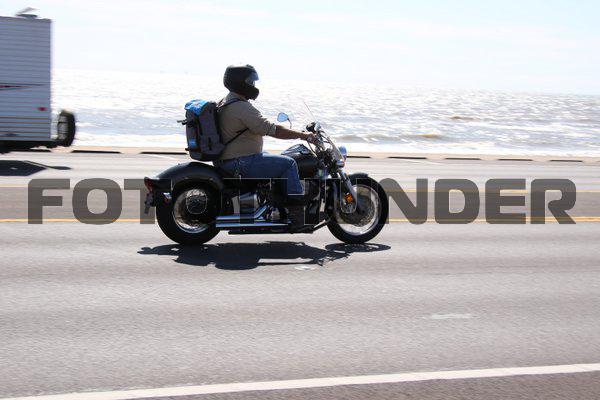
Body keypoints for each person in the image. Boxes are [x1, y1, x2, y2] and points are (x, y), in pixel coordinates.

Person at [214, 64, 316, 228]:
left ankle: (274, 203)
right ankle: (297, 215)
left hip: (231, 160)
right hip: (240, 162)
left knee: (275, 158)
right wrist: (304, 136)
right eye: (251, 82)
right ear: (241, 82)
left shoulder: (226, 102)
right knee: (289, 163)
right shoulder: (241, 107)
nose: (254, 86)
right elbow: (272, 130)